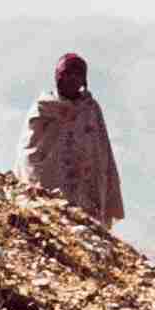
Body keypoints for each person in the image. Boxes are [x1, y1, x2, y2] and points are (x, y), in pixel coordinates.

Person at [24, 54, 124, 223]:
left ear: (83, 82)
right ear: (58, 79)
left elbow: (101, 148)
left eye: (77, 77)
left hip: (86, 188)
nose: (71, 82)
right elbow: (29, 151)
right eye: (67, 77)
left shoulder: (90, 109)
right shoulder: (44, 108)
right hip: (51, 192)